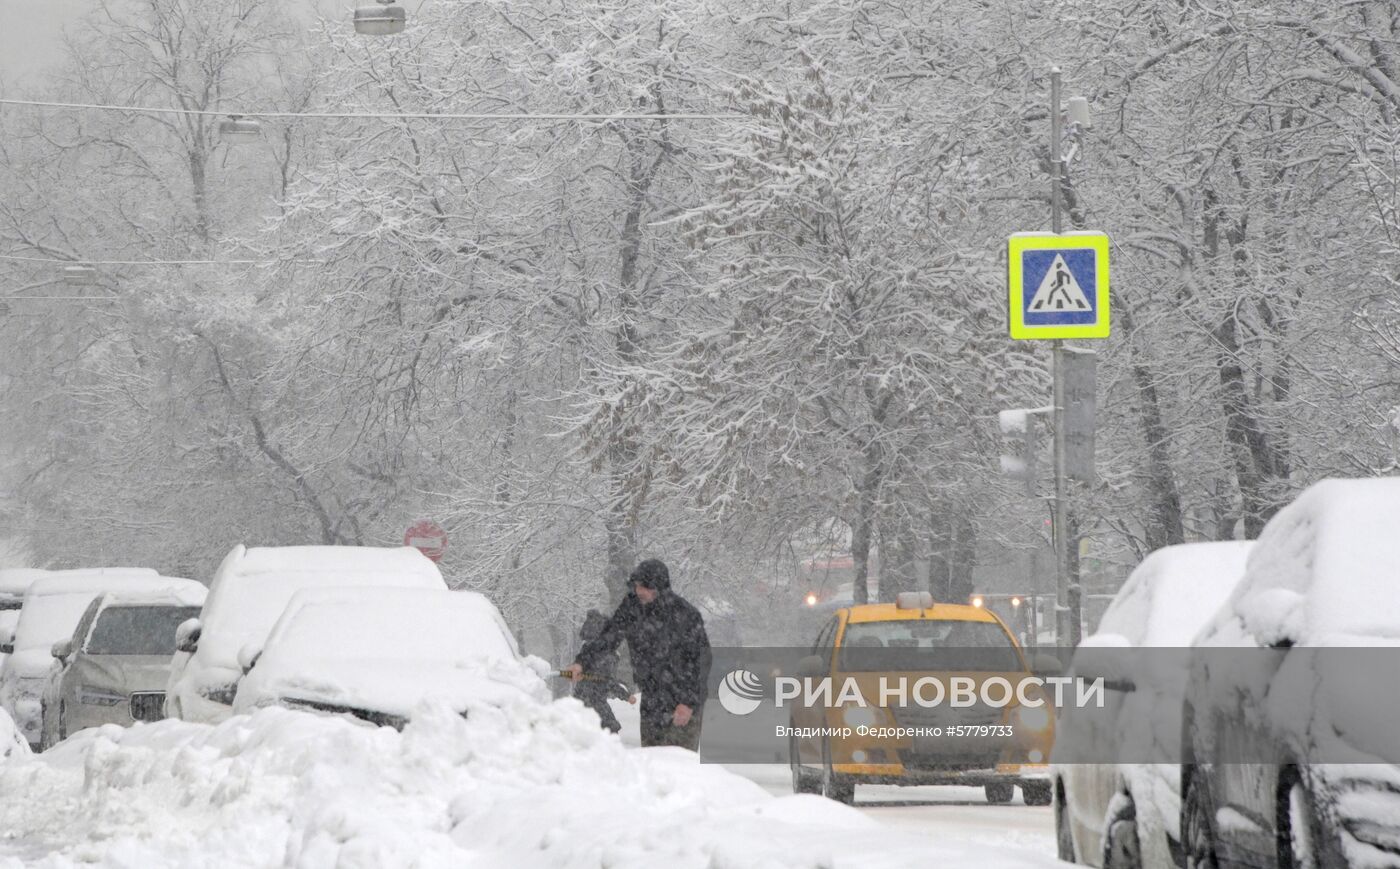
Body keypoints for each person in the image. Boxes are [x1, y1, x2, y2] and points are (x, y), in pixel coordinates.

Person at [566, 559, 711, 750]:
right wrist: (581, 662)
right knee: (651, 762)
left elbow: (701, 662)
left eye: (644, 587)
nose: (638, 591)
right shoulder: (633, 607)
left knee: (679, 767)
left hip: (683, 702)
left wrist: (688, 702)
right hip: (652, 700)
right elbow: (608, 636)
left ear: (659, 587)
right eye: (636, 586)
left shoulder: (685, 615)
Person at [572, 609, 635, 733]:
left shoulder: (587, 650)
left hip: (581, 702)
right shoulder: (606, 655)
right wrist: (625, 695)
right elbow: (606, 681)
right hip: (595, 704)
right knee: (610, 732)